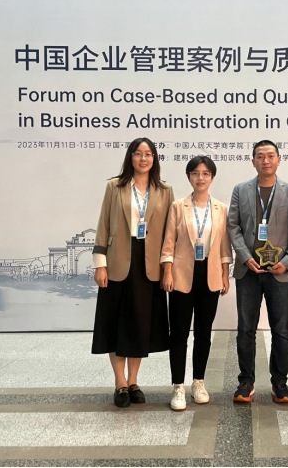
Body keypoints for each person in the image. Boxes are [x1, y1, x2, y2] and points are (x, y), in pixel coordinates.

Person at [91, 138, 175, 408]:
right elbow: (103, 225)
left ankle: (134, 380)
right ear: (130, 157)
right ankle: (120, 383)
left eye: (148, 154)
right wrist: (100, 264)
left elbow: (169, 233)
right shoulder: (114, 186)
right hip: (118, 262)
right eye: (138, 153)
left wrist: (168, 267)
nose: (143, 158)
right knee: (116, 323)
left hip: (149, 265)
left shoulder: (164, 190)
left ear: (155, 159)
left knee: (140, 324)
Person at [228, 140, 288, 404]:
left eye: (271, 155)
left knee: (280, 330)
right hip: (248, 270)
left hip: (279, 271)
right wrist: (246, 257)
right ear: (253, 161)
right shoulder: (240, 190)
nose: (266, 160)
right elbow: (233, 227)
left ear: (279, 159)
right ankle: (245, 382)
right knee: (245, 329)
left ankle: (280, 383)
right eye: (260, 156)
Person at [161, 156, 233, 411]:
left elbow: (224, 245)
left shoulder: (220, 208)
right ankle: (178, 386)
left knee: (203, 333)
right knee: (179, 333)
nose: (200, 178)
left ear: (212, 177)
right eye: (195, 173)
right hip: (181, 275)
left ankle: (198, 383)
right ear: (189, 177)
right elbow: (169, 242)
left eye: (205, 173)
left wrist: (225, 274)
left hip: (210, 276)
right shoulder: (178, 206)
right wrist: (167, 272)